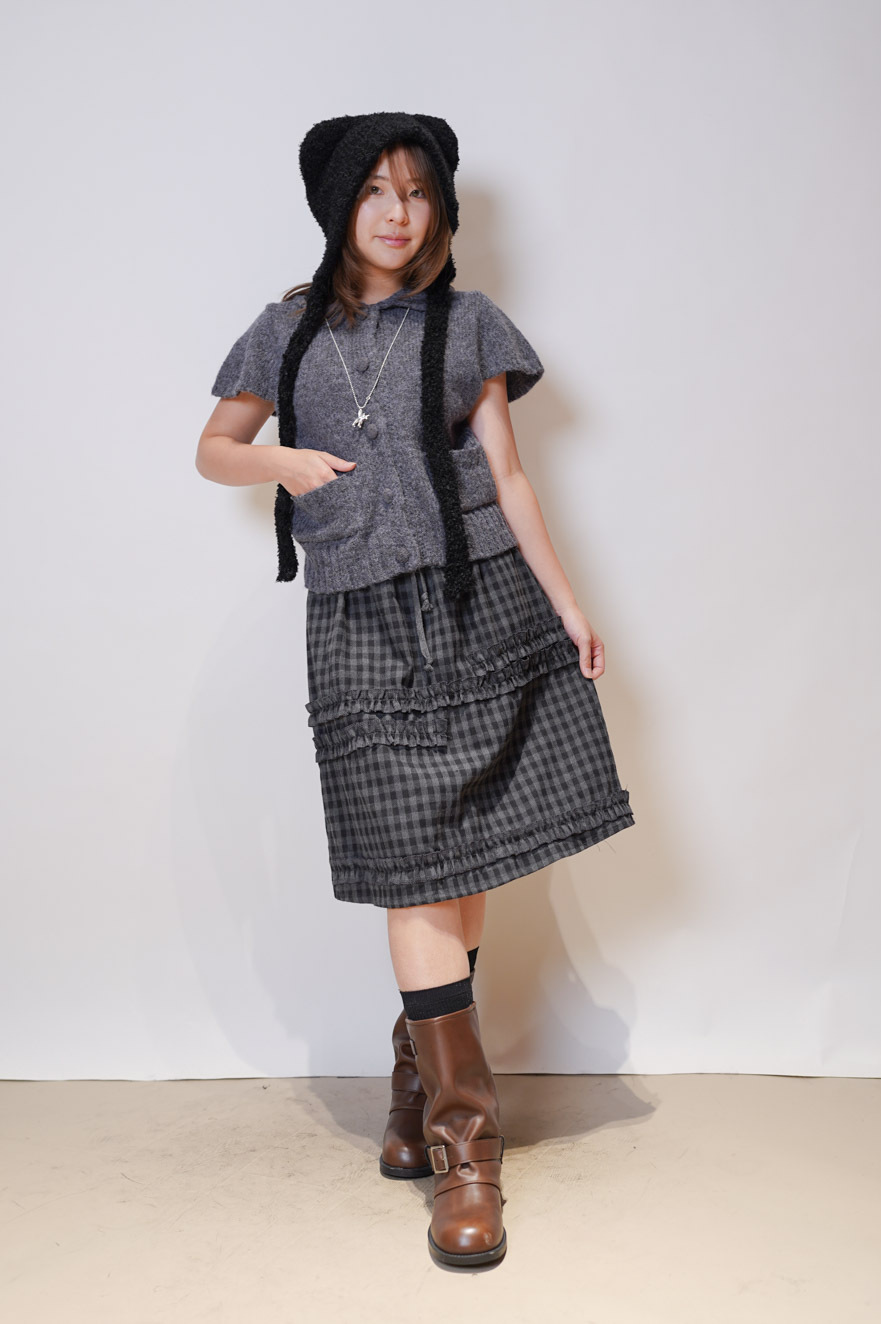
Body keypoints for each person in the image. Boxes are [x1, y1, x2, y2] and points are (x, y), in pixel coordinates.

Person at [195, 111, 636, 1269]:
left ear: (439, 207)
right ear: (338, 206)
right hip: (359, 622)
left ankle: (423, 1099)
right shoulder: (284, 331)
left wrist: (570, 603)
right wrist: (281, 461)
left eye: (418, 191)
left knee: (462, 862)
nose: (398, 212)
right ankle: (465, 1144)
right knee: (414, 873)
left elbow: (510, 475)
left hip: (480, 604)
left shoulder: (466, 320)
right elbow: (213, 447)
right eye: (375, 192)